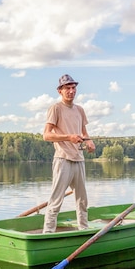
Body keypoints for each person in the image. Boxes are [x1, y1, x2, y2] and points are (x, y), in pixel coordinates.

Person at [42, 74, 95, 234]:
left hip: (79, 159)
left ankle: (83, 230)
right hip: (62, 159)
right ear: (60, 91)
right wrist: (68, 137)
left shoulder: (80, 110)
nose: (71, 91)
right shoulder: (55, 108)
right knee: (56, 200)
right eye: (67, 88)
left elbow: (84, 132)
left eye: (73, 88)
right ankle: (48, 234)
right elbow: (46, 135)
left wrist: (89, 141)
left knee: (82, 200)